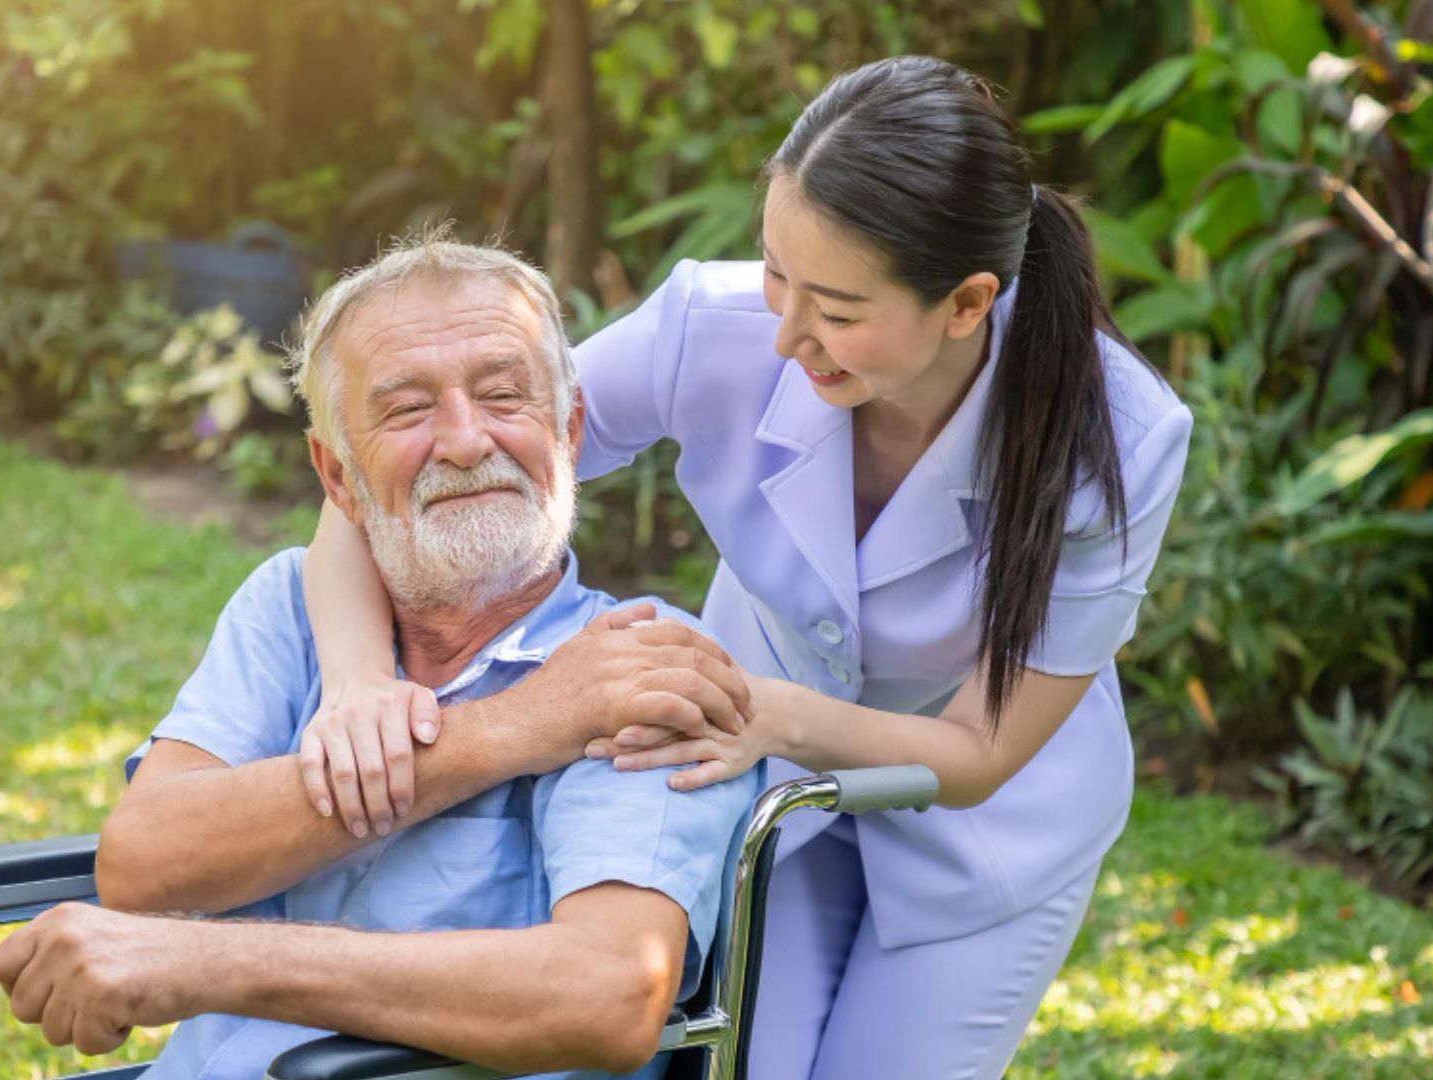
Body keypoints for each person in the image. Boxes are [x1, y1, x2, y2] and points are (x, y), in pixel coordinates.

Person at [298, 56, 1194, 1079]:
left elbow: (983, 749)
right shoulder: (707, 330)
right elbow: (388, 487)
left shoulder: (1120, 438)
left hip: (984, 827)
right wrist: (358, 680)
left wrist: (758, 712)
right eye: (776, 273)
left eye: (838, 309)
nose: (785, 332)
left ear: (965, 302)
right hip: (765, 779)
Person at [0, 236, 761, 1079]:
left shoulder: (635, 665)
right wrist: (519, 727)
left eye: (504, 395)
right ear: (339, 477)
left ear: (571, 431)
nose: (467, 442)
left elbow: (610, 996)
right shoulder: (289, 608)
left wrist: (204, 962)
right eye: (407, 410)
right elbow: (143, 862)